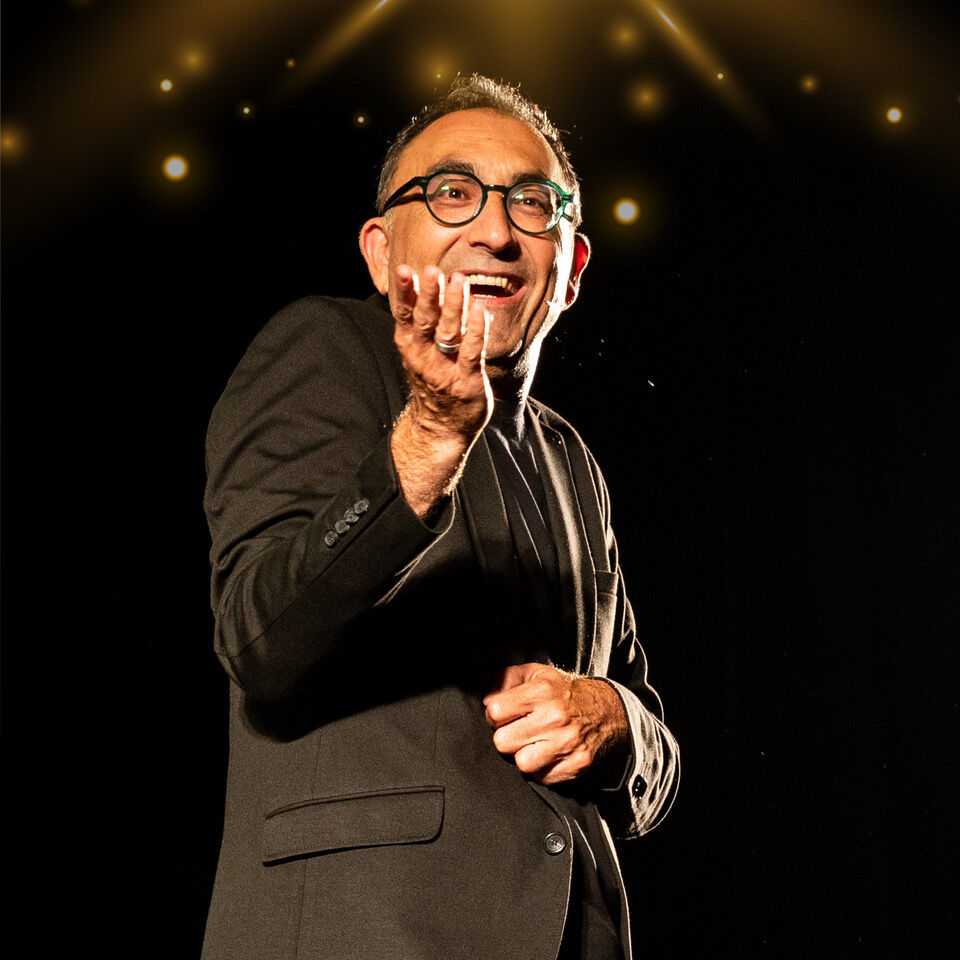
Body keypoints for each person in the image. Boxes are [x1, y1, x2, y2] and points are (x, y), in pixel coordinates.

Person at [202, 74, 679, 960]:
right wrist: (427, 438)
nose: (496, 231)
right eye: (452, 193)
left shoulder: (571, 458)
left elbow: (649, 726)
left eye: (533, 203)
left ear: (571, 270)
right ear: (381, 251)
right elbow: (260, 638)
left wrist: (615, 718)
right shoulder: (325, 348)